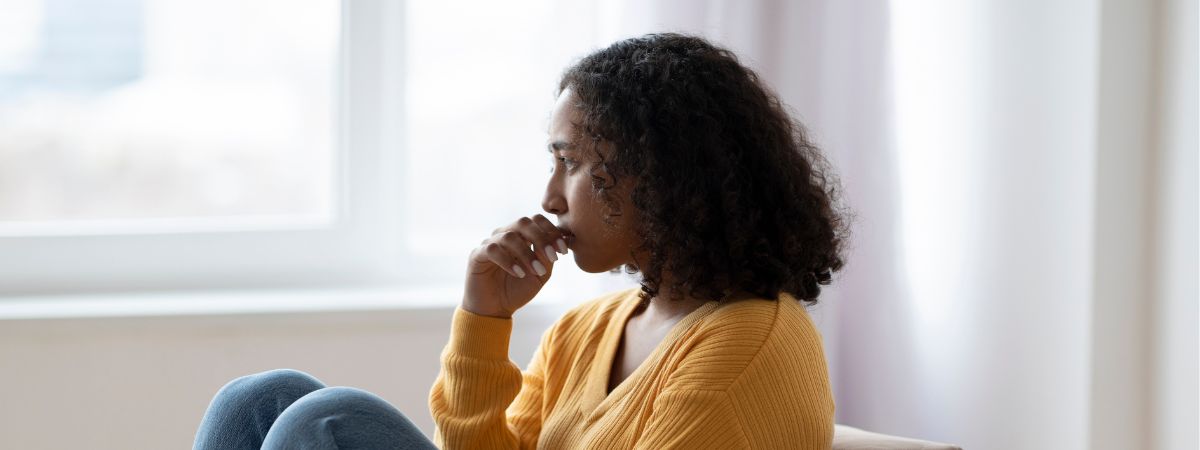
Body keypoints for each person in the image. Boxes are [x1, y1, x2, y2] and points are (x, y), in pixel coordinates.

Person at [193, 32, 847, 450]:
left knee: (324, 422)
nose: (550, 197)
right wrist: (485, 319)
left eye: (571, 162)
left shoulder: (749, 345)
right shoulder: (589, 329)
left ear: (660, 175)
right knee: (260, 398)